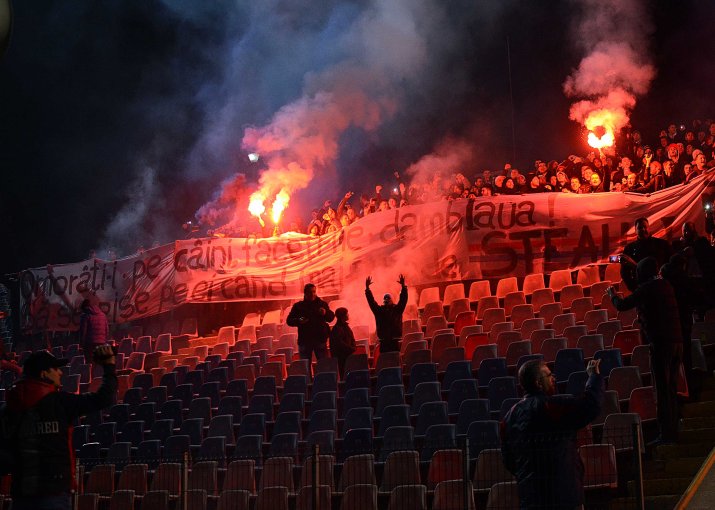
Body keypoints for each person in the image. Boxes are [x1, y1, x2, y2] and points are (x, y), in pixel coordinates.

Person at [0, 345, 117, 510]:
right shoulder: (60, 402)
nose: (60, 372)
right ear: (44, 374)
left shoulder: (8, 410)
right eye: (55, 368)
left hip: (21, 494)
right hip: (54, 493)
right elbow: (103, 399)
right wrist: (109, 366)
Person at [501, 358, 603, 509]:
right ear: (538, 383)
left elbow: (509, 460)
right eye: (549, 376)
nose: (553, 378)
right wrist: (594, 377)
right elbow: (590, 406)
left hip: (531, 497)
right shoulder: (551, 407)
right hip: (563, 494)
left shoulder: (508, 418)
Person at [607, 257, 683, 444]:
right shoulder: (665, 285)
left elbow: (623, 305)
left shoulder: (648, 289)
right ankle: (673, 429)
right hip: (677, 342)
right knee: (671, 388)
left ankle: (666, 434)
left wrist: (612, 295)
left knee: (662, 390)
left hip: (661, 344)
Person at [286, 283, 335, 363]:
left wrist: (325, 313)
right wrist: (299, 320)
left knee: (323, 364)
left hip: (319, 339)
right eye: (310, 292)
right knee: (305, 366)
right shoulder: (298, 306)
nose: (312, 294)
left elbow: (331, 318)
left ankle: (321, 375)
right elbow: (289, 321)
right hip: (305, 340)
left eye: (314, 292)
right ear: (305, 293)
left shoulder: (322, 304)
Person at [620, 217, 672, 292]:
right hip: (641, 288)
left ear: (649, 228)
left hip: (661, 287)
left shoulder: (662, 244)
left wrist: (667, 282)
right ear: (635, 231)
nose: (643, 230)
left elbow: (671, 264)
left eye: (645, 227)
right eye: (640, 228)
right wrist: (633, 288)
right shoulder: (629, 248)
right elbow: (624, 272)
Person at [365, 274, 408, 353]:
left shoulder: (397, 309)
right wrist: (367, 289)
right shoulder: (379, 311)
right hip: (384, 341)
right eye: (385, 298)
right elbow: (371, 302)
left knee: (395, 359)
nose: (386, 299)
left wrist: (403, 287)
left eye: (388, 298)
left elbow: (403, 300)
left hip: (395, 340)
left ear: (392, 300)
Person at [78, 298, 109, 364]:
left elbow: (83, 331)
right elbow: (107, 330)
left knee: (89, 364)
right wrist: (105, 341)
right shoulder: (103, 315)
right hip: (101, 343)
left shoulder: (85, 316)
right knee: (99, 364)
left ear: (85, 307)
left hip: (89, 344)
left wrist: (81, 344)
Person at [328, 307, 356, 377]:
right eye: (346, 314)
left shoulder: (345, 326)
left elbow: (351, 338)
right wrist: (351, 348)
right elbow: (339, 343)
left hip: (348, 355)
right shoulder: (337, 329)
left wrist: (353, 346)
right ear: (342, 316)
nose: (348, 315)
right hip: (342, 358)